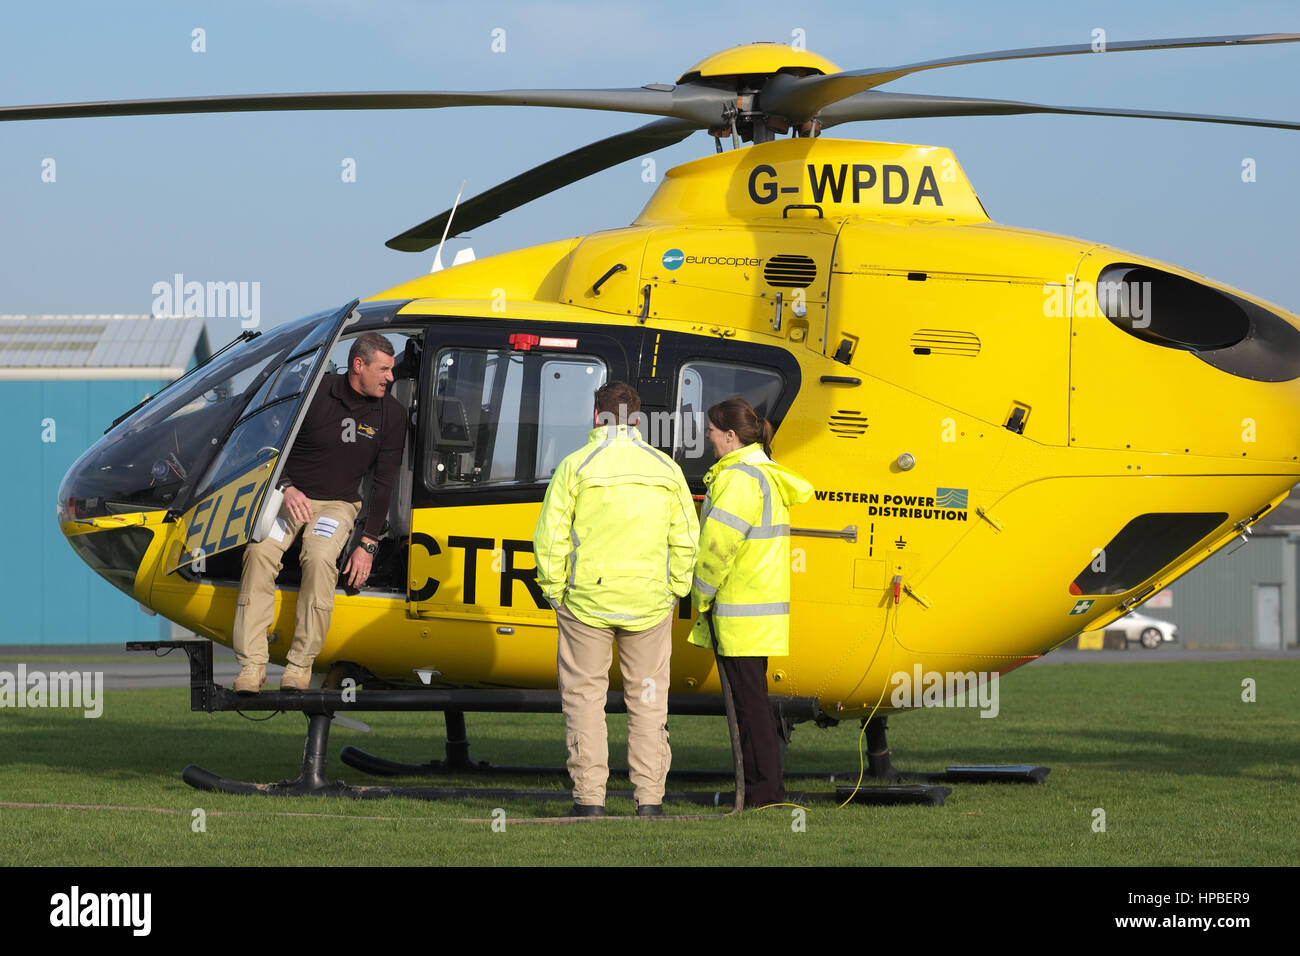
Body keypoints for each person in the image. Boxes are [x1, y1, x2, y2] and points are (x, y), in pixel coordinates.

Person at [533, 382, 699, 817]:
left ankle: (589, 801)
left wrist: (554, 591)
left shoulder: (575, 466)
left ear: (595, 416)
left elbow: (550, 538)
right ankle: (650, 801)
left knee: (585, 700)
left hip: (586, 602)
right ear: (639, 421)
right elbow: (686, 538)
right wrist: (675, 590)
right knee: (647, 701)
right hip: (649, 604)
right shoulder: (666, 468)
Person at [232, 332, 405, 692]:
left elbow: (384, 482)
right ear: (358, 365)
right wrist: (287, 487)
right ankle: (252, 665)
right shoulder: (313, 394)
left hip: (339, 504)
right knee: (259, 552)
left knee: (321, 555)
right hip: (290, 496)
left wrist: (368, 543)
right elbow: (264, 444)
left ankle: (299, 664)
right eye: (384, 369)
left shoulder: (392, 413)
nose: (391, 377)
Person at [689, 397, 812, 809]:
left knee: (750, 710)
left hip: (740, 614)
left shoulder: (739, 479)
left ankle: (762, 795)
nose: (706, 436)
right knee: (752, 707)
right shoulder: (761, 475)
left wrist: (700, 594)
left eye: (711, 430)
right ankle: (764, 792)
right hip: (757, 614)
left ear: (729, 435)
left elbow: (717, 548)